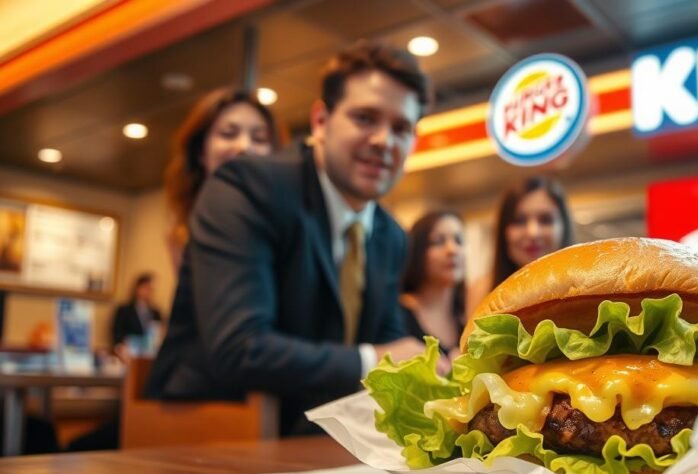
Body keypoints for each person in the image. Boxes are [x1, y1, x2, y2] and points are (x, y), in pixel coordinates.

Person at [146, 41, 440, 436]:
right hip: (205, 430)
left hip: (321, 438)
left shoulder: (391, 235)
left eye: (401, 129)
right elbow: (240, 348)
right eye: (365, 118)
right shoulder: (244, 187)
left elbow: (388, 342)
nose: (384, 140)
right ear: (320, 121)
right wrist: (372, 361)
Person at [164, 88, 285, 271]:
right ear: (200, 151)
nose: (244, 146)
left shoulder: (290, 228)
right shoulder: (182, 236)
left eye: (259, 138)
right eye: (228, 134)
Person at [466, 176, 573, 316]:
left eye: (545, 220)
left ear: (563, 227)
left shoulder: (584, 288)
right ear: (503, 231)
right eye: (520, 221)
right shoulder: (482, 291)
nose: (533, 232)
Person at [400, 211, 466, 356]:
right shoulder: (398, 316)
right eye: (438, 242)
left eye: (459, 241)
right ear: (418, 251)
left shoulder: (466, 316)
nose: (452, 250)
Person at [112, 272, 163, 356]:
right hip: (128, 353)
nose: (149, 292)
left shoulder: (156, 312)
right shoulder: (124, 310)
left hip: (150, 354)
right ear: (138, 288)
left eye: (151, 289)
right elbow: (117, 333)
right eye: (146, 288)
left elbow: (159, 334)